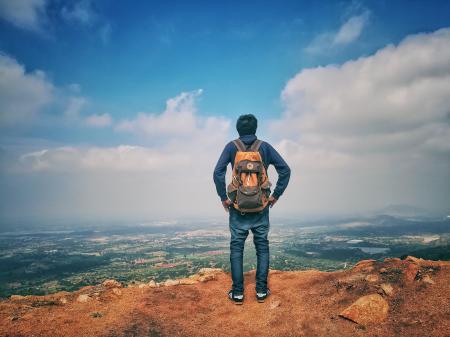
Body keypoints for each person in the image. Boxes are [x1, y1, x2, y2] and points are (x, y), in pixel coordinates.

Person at [213, 114, 291, 304]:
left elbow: (217, 173)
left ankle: (238, 293)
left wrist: (224, 198)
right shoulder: (264, 147)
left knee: (237, 248)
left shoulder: (232, 147)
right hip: (261, 207)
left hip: (238, 208)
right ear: (256, 128)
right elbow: (285, 170)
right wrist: (275, 196)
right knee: (262, 247)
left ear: (238, 129)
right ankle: (261, 291)